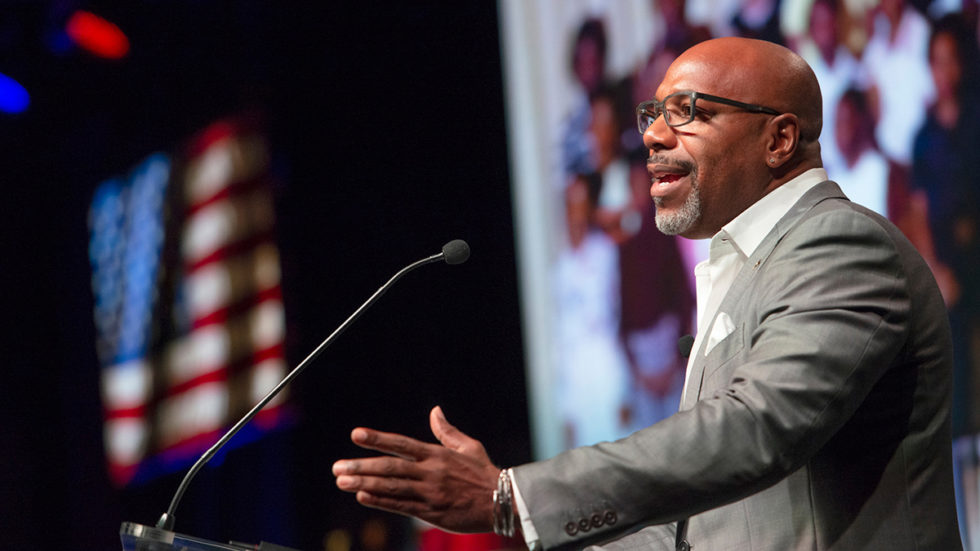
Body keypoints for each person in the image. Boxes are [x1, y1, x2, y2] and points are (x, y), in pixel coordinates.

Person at [332, 37, 961, 550]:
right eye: (652, 114)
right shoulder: (743, 265)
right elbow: (697, 533)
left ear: (779, 140)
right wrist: (530, 527)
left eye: (689, 111)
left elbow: (754, 432)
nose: (654, 136)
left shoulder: (842, 244)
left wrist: (512, 497)